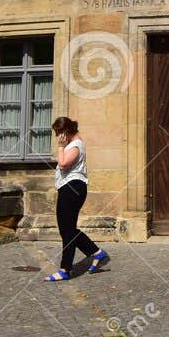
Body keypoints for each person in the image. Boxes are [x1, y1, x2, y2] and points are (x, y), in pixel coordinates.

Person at [45, 117, 109, 282]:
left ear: (65, 132)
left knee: (67, 231)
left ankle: (65, 269)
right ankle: (96, 253)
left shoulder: (76, 145)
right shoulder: (73, 144)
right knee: (67, 229)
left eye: (58, 133)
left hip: (72, 188)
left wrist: (60, 147)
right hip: (70, 188)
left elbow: (64, 163)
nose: (57, 137)